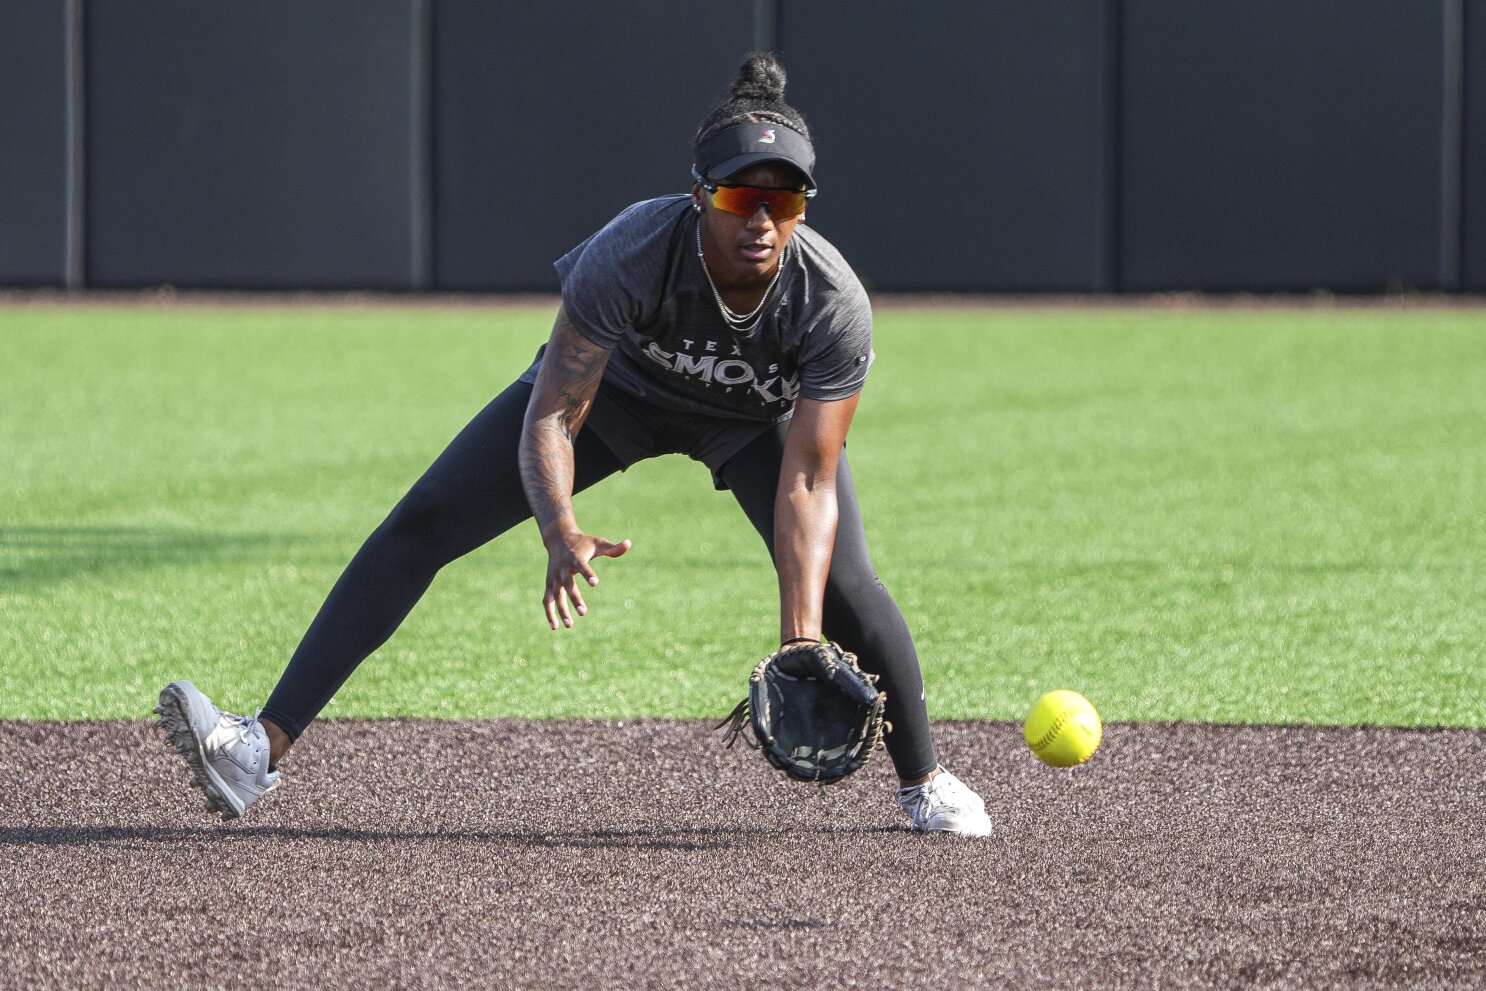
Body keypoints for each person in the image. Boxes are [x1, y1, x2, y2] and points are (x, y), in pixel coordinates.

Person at [156, 53, 993, 836]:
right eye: (742, 197)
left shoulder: (831, 299)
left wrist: (801, 638)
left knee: (848, 587)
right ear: (700, 194)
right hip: (618, 397)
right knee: (425, 523)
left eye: (787, 201)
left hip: (752, 418)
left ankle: (923, 781)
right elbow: (554, 412)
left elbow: (809, 481)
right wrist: (557, 526)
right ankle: (257, 749)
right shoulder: (630, 251)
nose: (764, 220)